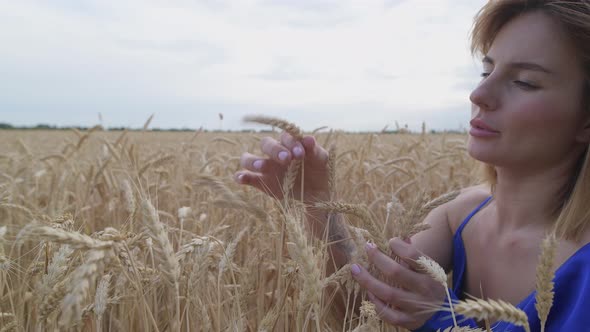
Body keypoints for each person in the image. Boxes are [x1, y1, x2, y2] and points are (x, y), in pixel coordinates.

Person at [234, 1, 590, 331]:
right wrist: (316, 203)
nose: (478, 96)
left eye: (524, 82)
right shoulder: (459, 213)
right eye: (486, 71)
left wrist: (442, 319)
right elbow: (359, 310)